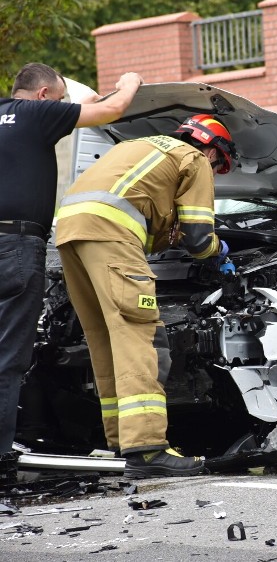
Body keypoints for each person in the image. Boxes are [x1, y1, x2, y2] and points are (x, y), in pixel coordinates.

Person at [54, 114, 236, 478]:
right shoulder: (193, 158)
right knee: (142, 336)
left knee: (105, 339)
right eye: (220, 165)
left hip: (69, 233)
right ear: (211, 147)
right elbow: (200, 239)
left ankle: (120, 441)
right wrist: (219, 251)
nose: (215, 173)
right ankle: (148, 449)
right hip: (111, 233)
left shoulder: (137, 147)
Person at [0, 63, 144, 458]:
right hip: (16, 245)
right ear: (44, 95)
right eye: (59, 98)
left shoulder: (5, 112)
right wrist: (129, 82)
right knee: (8, 359)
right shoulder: (37, 113)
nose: (63, 106)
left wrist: (78, 97)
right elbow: (107, 111)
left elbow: (83, 105)